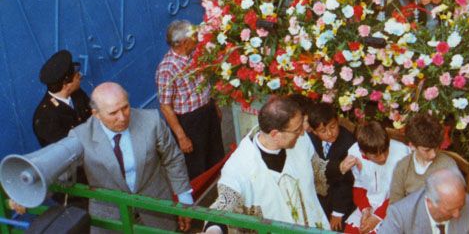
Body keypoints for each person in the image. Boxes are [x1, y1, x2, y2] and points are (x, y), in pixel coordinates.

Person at [23, 83, 194, 232]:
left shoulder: (152, 121)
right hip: (110, 221)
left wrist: (184, 201)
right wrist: (30, 193)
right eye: (113, 113)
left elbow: (173, 159)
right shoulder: (79, 136)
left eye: (125, 107)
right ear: (96, 114)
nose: (123, 117)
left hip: (157, 213)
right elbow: (61, 172)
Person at [206, 96, 327, 232]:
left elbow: (319, 171)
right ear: (275, 134)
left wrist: (341, 167)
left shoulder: (301, 141)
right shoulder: (239, 166)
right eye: (297, 130)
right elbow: (224, 204)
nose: (302, 132)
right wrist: (214, 229)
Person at [156, 20, 224, 180]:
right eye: (194, 35)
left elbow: (204, 83)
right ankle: (204, 198)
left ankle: (220, 183)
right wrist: (181, 136)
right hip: (190, 122)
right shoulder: (167, 68)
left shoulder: (195, 54)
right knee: (197, 164)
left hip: (207, 111)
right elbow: (165, 106)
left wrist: (214, 106)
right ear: (184, 42)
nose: (198, 38)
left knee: (216, 153)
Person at [342, 121, 412, 233]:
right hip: (370, 204)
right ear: (363, 153)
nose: (383, 158)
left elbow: (405, 192)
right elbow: (359, 185)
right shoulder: (354, 154)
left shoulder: (402, 153)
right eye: (376, 155)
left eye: (385, 151)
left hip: (396, 205)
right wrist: (365, 209)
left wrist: (377, 217)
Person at [377, 168, 469, 234]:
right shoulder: (401, 215)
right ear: (429, 202)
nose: (457, 214)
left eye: (460, 206)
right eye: (450, 210)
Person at [307, 102, 357, 230]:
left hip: (339, 199)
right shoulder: (309, 139)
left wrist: (338, 212)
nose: (330, 133)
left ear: (338, 121)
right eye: (323, 131)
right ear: (314, 131)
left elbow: (347, 181)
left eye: (333, 126)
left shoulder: (349, 143)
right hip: (315, 195)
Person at [388, 113, 458, 204]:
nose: (433, 154)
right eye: (427, 150)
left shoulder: (448, 166)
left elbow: (454, 203)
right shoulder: (402, 167)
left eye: (436, 147)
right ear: (412, 146)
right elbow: (395, 204)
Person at [32, 49, 90, 148]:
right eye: (77, 75)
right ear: (66, 84)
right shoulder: (44, 118)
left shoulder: (77, 93)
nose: (80, 76)